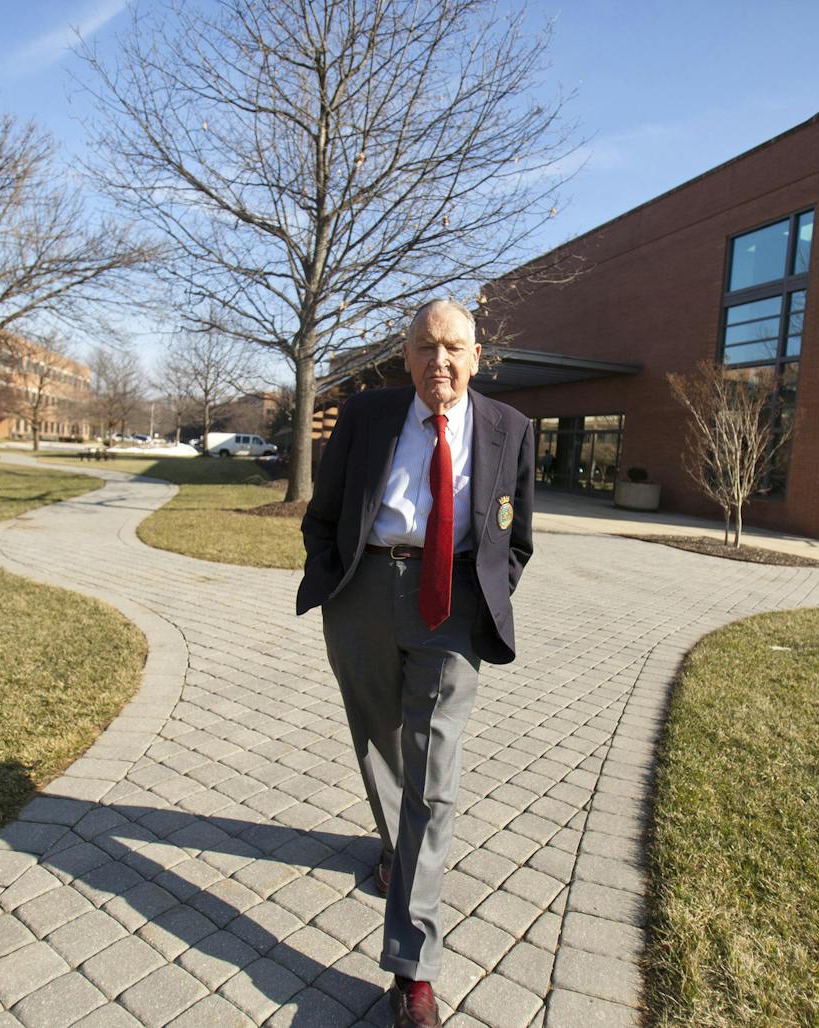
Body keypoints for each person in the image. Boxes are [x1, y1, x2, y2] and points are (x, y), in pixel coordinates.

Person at [297, 299, 534, 1027]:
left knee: (433, 774)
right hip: (364, 590)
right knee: (377, 742)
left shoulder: (509, 429)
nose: (441, 362)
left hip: (452, 601)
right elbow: (323, 510)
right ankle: (401, 858)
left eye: (454, 347)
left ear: (476, 353)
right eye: (426, 348)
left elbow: (517, 535)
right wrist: (335, 574)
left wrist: (487, 590)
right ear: (405, 356)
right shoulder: (367, 415)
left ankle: (413, 966)